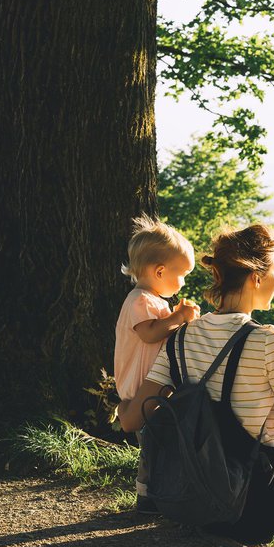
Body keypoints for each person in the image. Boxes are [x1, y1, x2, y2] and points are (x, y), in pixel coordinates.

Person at [119, 224, 274, 542]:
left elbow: (129, 421)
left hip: (198, 500)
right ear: (257, 276)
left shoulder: (181, 336)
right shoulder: (268, 339)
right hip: (258, 508)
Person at [114, 215, 199, 512]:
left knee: (159, 438)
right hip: (141, 388)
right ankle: (147, 495)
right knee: (151, 443)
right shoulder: (140, 300)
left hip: (151, 386)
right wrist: (178, 317)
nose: (184, 281)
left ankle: (159, 488)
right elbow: (150, 334)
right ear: (160, 271)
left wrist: (175, 317)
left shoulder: (153, 301)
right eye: (183, 274)